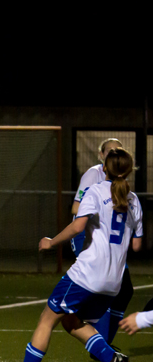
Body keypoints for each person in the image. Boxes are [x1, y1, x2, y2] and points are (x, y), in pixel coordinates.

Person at [5, 148, 142, 362]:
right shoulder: (134, 200)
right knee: (70, 321)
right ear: (129, 170)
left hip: (87, 275)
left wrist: (51, 242)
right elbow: (136, 245)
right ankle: (112, 359)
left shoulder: (96, 191)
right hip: (113, 282)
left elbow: (77, 225)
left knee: (47, 319)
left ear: (104, 169)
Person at [71, 138, 133, 348]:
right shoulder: (94, 174)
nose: (114, 154)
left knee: (124, 290)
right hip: (89, 236)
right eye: (109, 151)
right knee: (105, 286)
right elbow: (76, 209)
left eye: (118, 151)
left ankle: (103, 342)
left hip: (107, 239)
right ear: (101, 156)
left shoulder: (122, 185)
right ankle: (100, 344)